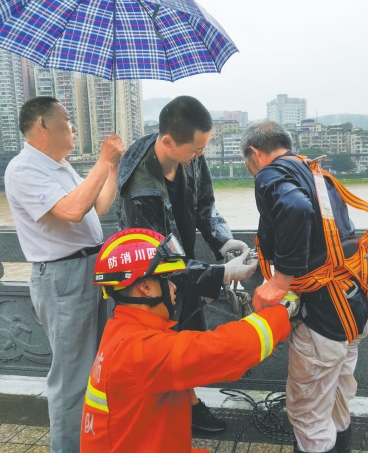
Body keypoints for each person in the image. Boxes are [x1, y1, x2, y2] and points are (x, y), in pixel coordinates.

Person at [80, 228, 293, 452]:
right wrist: (282, 312)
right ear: (145, 287)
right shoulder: (141, 351)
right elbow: (227, 349)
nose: (175, 287)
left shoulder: (121, 330)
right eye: (168, 279)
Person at [241, 120, 368, 453]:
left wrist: (280, 280)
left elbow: (295, 208)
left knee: (307, 413)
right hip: (357, 302)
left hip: (324, 314)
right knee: (338, 396)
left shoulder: (270, 174)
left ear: (255, 154)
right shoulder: (316, 173)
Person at [116, 95, 250, 432]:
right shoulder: (139, 186)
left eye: (203, 148)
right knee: (167, 344)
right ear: (167, 141)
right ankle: (179, 411)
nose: (200, 155)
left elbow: (205, 205)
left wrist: (223, 242)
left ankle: (186, 406)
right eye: (195, 150)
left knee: (185, 337)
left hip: (183, 264)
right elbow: (163, 258)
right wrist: (224, 274)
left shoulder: (190, 155)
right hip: (151, 278)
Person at [4, 96, 125, 452]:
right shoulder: (23, 169)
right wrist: (102, 160)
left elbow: (96, 207)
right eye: (67, 119)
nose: (73, 126)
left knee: (98, 369)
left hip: (91, 269)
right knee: (72, 379)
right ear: (43, 123)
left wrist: (112, 168)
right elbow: (72, 210)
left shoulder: (60, 166)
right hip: (63, 278)